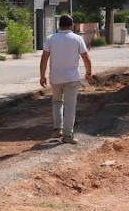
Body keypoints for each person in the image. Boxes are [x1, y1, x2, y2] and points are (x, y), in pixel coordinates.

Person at [39, 14, 93, 144]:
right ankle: (68, 135)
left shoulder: (51, 38)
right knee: (70, 106)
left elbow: (44, 58)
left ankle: (57, 129)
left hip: (55, 77)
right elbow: (86, 58)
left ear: (59, 25)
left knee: (57, 102)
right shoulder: (77, 39)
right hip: (72, 78)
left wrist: (42, 76)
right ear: (72, 25)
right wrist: (88, 73)